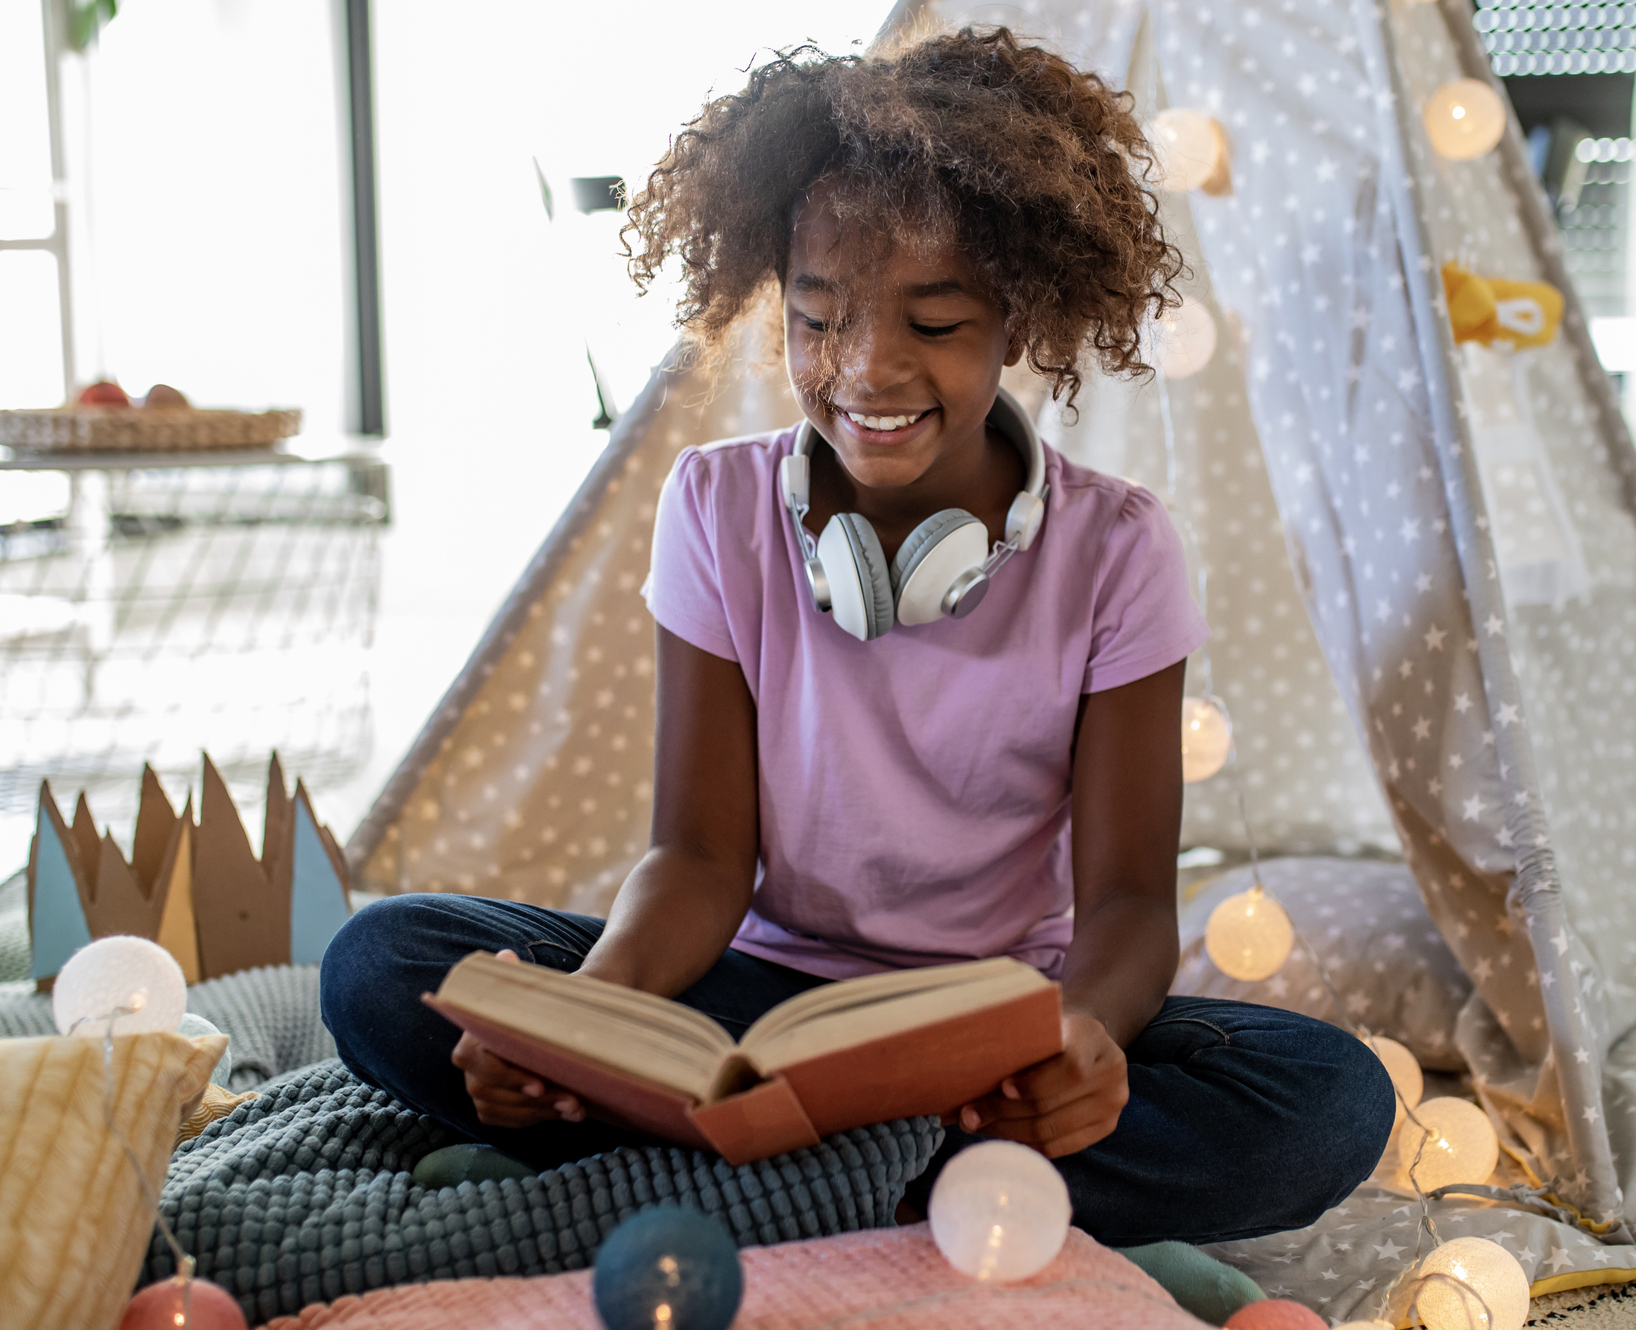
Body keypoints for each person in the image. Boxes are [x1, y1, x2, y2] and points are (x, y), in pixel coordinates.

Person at [321, 27, 1391, 1249]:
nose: (866, 371)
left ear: (1015, 315)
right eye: (819, 320)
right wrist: (590, 1021)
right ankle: (893, 1182)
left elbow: (1135, 905)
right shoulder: (715, 508)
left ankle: (735, 1169)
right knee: (381, 963)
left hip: (994, 1032)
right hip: (760, 1003)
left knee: (1327, 1099)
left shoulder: (1120, 550)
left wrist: (1077, 1034)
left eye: (934, 322)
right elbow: (699, 861)